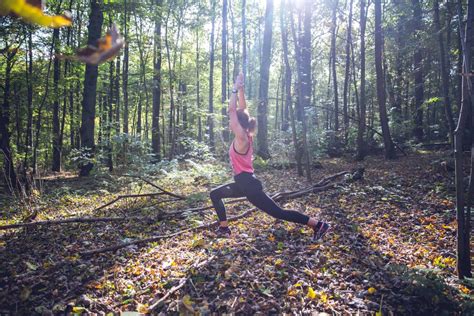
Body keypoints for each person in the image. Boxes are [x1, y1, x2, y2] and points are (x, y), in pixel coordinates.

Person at [210, 73, 330, 241]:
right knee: (215, 194)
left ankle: (318, 225)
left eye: (233, 121)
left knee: (278, 213)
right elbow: (242, 109)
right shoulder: (245, 133)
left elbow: (232, 110)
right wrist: (242, 89)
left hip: (249, 185)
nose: (230, 123)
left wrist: (235, 89)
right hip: (242, 183)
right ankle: (224, 229)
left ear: (238, 123)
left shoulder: (242, 138)